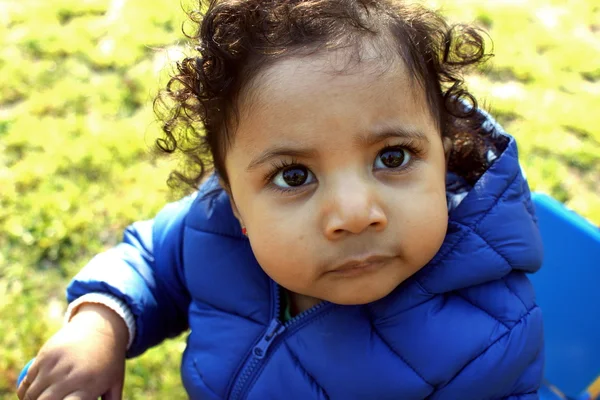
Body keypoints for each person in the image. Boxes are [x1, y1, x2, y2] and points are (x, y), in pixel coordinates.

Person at [17, 0, 545, 399]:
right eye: (295, 175)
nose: (355, 214)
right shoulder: (214, 229)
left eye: (393, 157)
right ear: (234, 197)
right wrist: (100, 324)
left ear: (444, 152)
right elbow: (151, 261)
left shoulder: (488, 338)